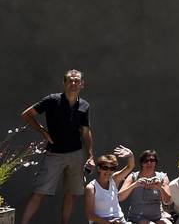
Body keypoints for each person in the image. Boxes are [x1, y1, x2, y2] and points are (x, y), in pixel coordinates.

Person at [20, 69, 95, 224]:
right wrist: (42, 132)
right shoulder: (52, 100)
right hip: (54, 154)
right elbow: (26, 114)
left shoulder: (84, 105)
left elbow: (86, 132)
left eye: (76, 81)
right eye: (70, 80)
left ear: (82, 84)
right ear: (64, 83)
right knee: (39, 192)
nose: (73, 83)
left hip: (76, 154)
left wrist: (90, 155)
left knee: (71, 193)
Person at [84, 147, 134, 224]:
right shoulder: (91, 188)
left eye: (112, 168)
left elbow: (130, 167)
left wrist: (130, 156)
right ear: (99, 169)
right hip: (101, 222)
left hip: (120, 220)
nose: (108, 171)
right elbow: (89, 215)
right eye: (105, 168)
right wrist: (108, 222)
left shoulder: (114, 179)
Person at [121, 150, 171, 224]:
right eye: (146, 161)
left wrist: (160, 187)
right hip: (137, 218)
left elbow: (167, 201)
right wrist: (134, 185)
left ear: (156, 162)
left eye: (152, 160)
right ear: (141, 163)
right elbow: (120, 197)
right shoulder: (133, 176)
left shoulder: (162, 177)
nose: (149, 163)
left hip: (157, 217)